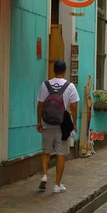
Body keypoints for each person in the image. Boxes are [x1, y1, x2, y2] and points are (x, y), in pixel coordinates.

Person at [37, 60, 79, 193]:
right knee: (60, 154)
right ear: (65, 71)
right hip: (62, 125)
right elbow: (74, 106)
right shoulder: (70, 86)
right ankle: (57, 184)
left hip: (47, 123)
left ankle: (44, 175)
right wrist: (74, 123)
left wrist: (39, 121)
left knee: (46, 152)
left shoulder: (45, 85)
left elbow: (40, 105)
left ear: (53, 70)